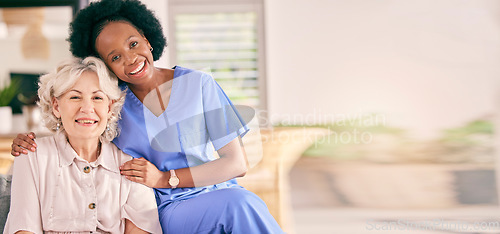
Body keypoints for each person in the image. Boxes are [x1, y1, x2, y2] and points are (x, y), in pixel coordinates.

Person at [11, 0, 283, 233]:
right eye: (116, 57)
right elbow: (82, 125)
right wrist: (30, 142)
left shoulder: (200, 84)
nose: (131, 58)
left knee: (243, 202)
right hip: (162, 207)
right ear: (107, 67)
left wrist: (166, 178)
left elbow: (236, 163)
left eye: (133, 44)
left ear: (148, 40)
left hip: (218, 192)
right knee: (240, 205)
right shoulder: (114, 100)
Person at [4, 57, 162, 234]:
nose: (87, 108)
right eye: (75, 97)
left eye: (97, 97)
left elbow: (141, 230)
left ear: (109, 107)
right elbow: (23, 228)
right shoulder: (31, 155)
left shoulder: (131, 163)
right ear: (56, 106)